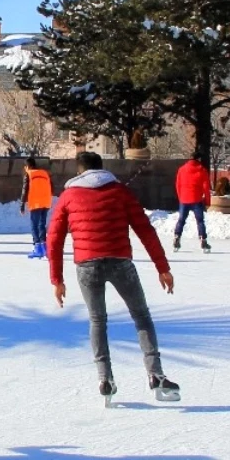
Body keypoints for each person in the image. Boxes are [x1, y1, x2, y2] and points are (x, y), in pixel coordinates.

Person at [46, 151, 179, 405]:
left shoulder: (68, 196)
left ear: (79, 171)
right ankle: (155, 374)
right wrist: (162, 267)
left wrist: (57, 280)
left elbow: (54, 239)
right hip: (120, 261)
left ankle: (105, 378)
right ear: (102, 169)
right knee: (141, 316)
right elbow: (145, 229)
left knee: (98, 321)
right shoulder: (120, 191)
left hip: (86, 265)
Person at [172, 151, 212, 253]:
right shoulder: (202, 170)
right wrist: (207, 202)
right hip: (196, 199)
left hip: (184, 199)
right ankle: (203, 239)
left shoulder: (182, 169)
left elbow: (178, 185)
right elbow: (206, 188)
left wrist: (181, 197)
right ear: (198, 159)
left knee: (181, 220)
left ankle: (177, 236)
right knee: (200, 221)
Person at [19, 157, 54, 259]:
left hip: (35, 203)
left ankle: (38, 248)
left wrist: (22, 205)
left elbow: (24, 191)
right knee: (41, 225)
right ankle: (45, 248)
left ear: (27, 167)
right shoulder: (44, 173)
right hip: (46, 202)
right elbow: (52, 187)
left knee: (34, 225)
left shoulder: (29, 174)